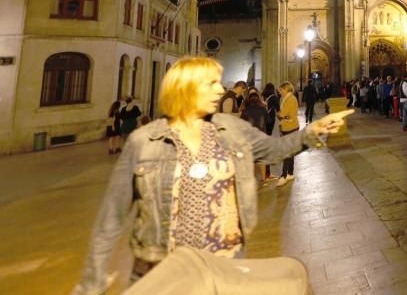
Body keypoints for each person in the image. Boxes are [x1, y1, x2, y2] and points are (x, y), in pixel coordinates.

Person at [72, 57, 347, 293]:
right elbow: (111, 218)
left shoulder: (231, 129)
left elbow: (276, 150)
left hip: (224, 260)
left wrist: (313, 131)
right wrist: (92, 283)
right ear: (184, 89)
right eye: (211, 84)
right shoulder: (144, 141)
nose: (221, 89)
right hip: (164, 268)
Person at [239, 90, 270, 185]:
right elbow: (268, 121)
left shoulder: (245, 111)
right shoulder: (263, 109)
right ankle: (264, 180)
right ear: (259, 100)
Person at [276, 81, 300, 186]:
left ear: (286, 89)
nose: (279, 92)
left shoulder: (290, 99)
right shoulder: (286, 98)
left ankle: (283, 176)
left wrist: (279, 114)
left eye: (281, 90)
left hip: (291, 127)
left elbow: (282, 114)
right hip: (289, 126)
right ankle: (290, 173)